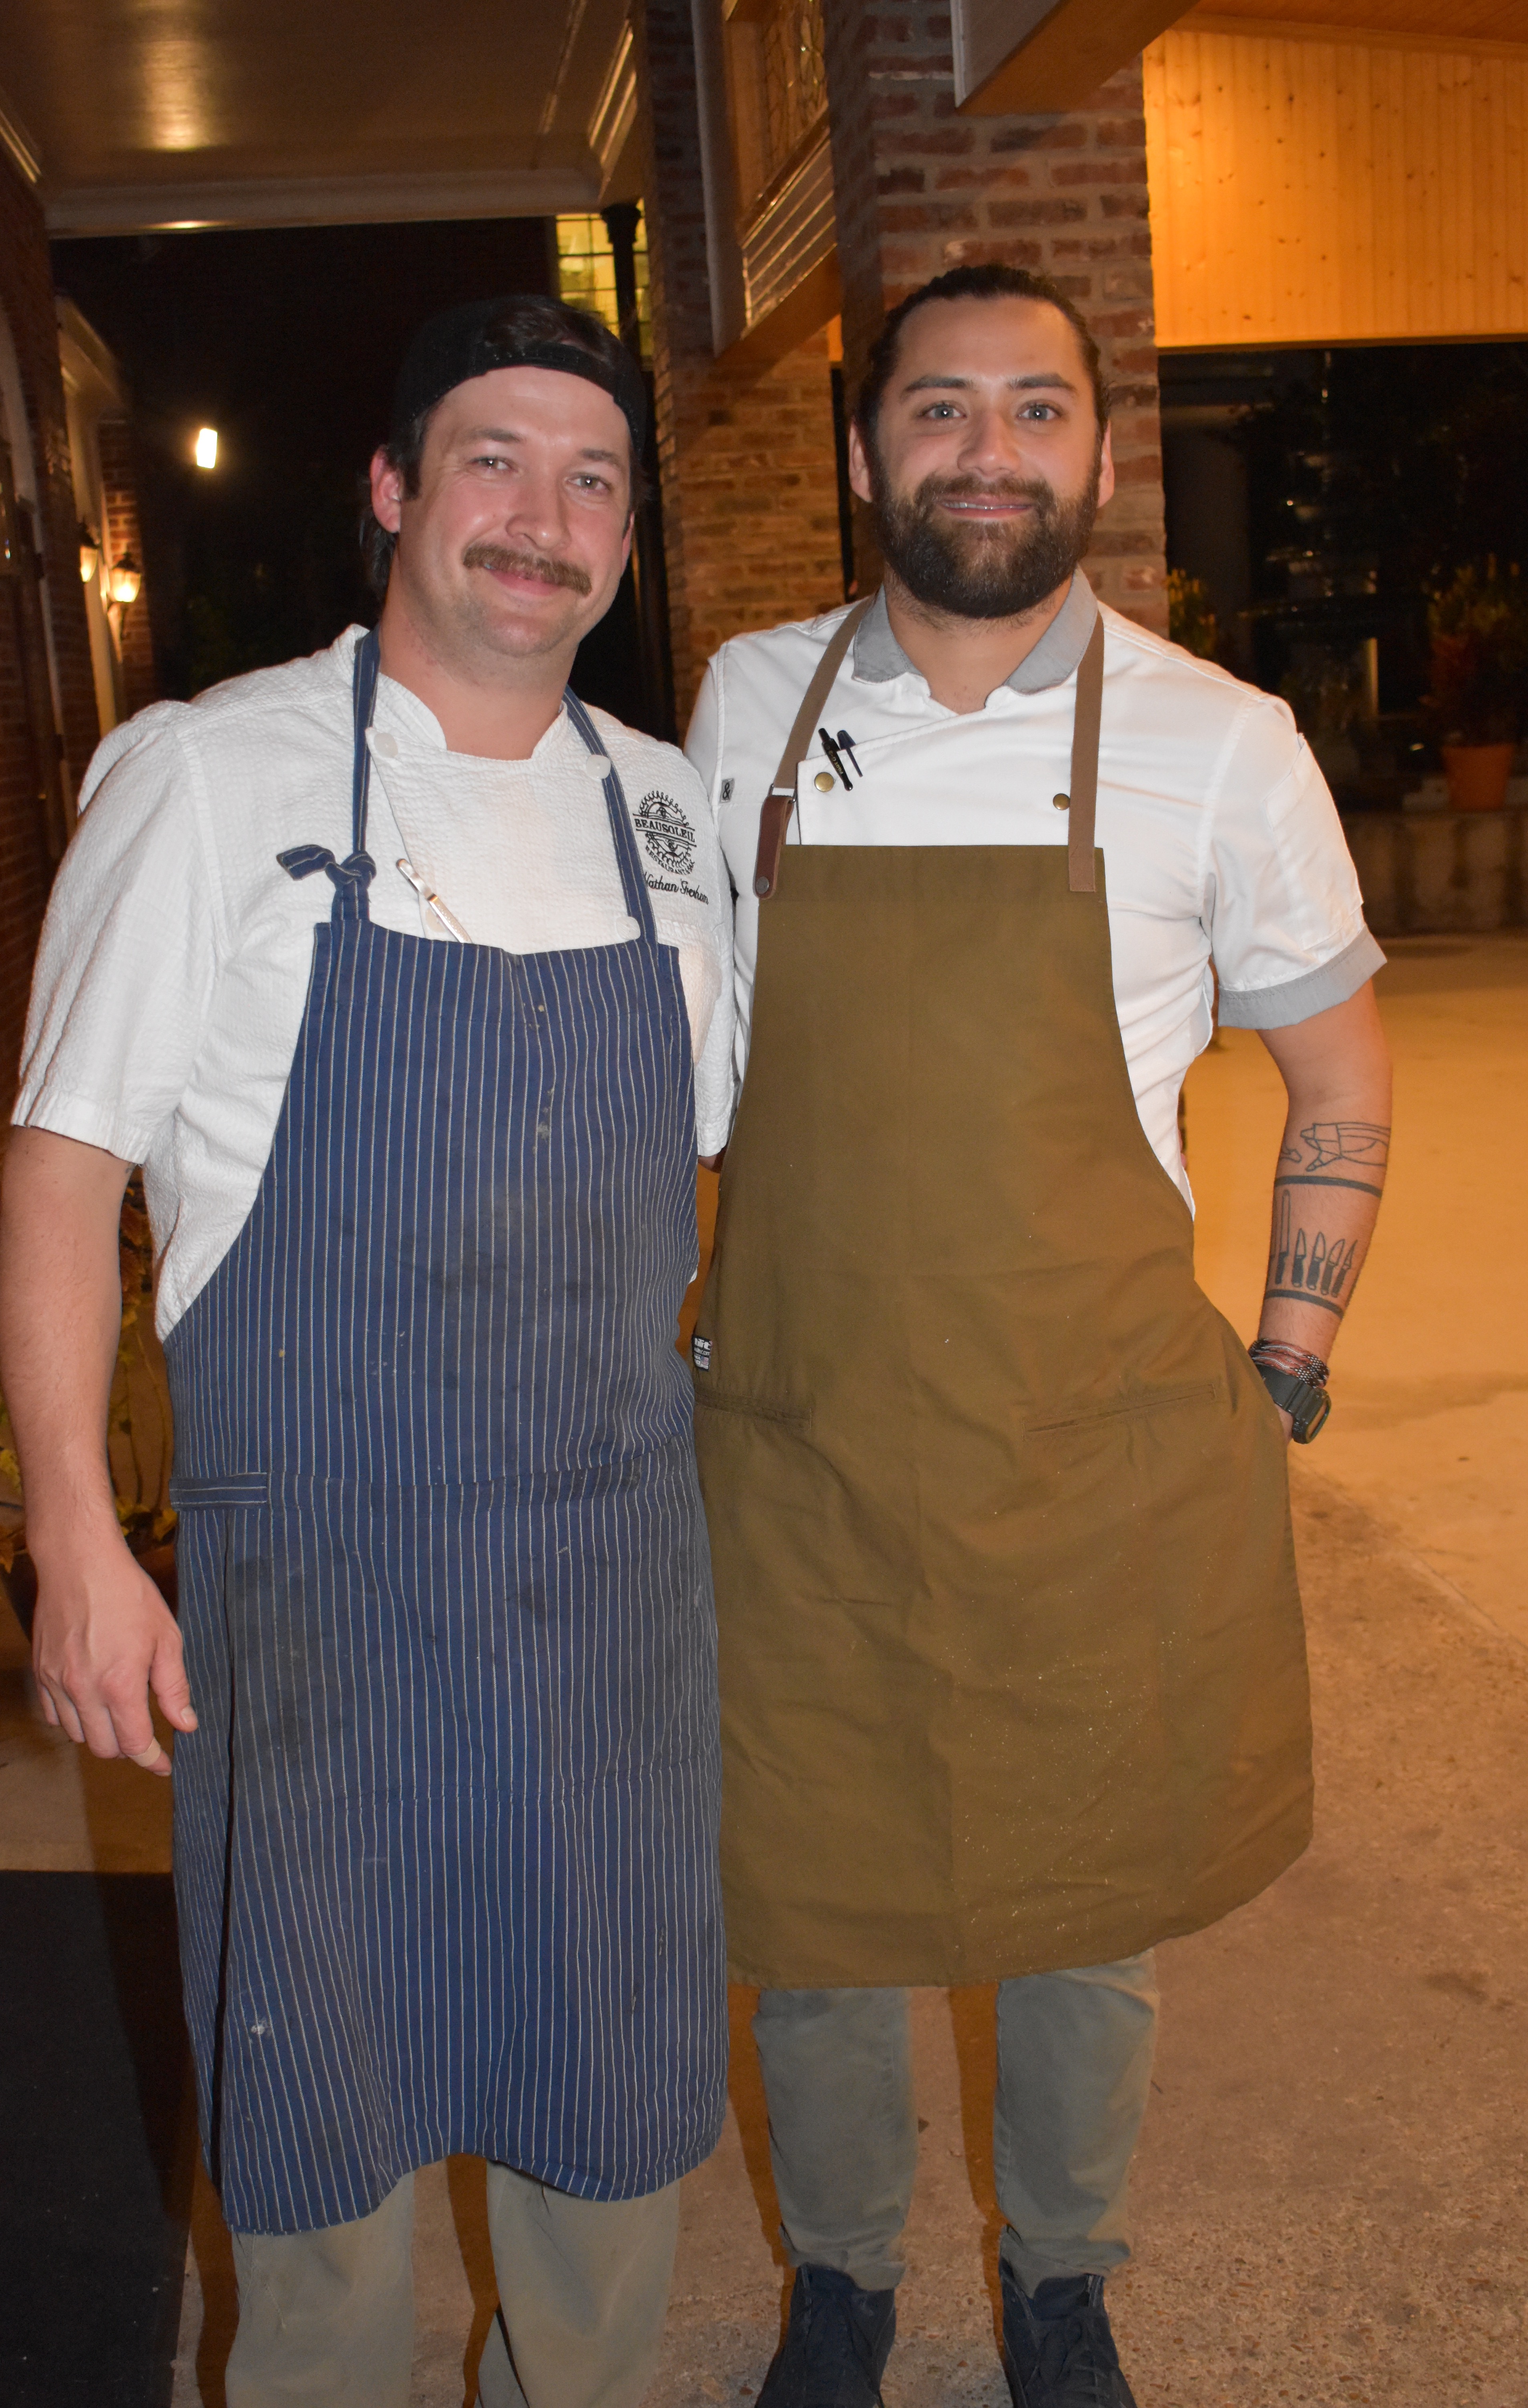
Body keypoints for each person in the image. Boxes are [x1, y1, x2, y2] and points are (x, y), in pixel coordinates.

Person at [0, 294, 733, 2408]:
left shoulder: (666, 816)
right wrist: (75, 1533)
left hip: (610, 1592)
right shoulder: (206, 775)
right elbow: (63, 1173)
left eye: (594, 481)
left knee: (611, 2101)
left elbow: (696, 1174)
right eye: (495, 460)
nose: (545, 518)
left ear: (624, 540)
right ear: (396, 490)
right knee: (321, 2125)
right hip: (322, 1591)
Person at [682, 262, 1393, 2408]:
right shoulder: (748, 705)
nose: (986, 450)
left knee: (1090, 1904)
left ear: (1098, 449)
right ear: (865, 448)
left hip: (1088, 1437)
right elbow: (693, 1057)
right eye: (939, 408)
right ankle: (842, 2282)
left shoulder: (1219, 742)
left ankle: (1063, 2275)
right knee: (810, 1906)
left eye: (1035, 409)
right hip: (801, 1431)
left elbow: (1340, 1072)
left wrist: (1288, 1356)